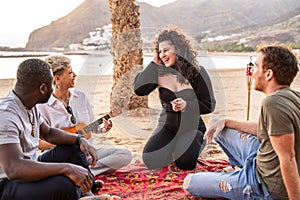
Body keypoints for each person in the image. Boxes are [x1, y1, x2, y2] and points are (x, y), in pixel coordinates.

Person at [183, 45, 300, 200]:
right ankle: (240, 168)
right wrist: (227, 121)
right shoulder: (293, 96)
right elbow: (264, 130)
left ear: (269, 74)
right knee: (219, 128)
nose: (251, 71)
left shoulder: (272, 103)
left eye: (256, 66)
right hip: (261, 158)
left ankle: (239, 177)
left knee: (189, 182)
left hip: (261, 183)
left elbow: (288, 158)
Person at [0, 58, 119, 200]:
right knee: (64, 184)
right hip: (7, 184)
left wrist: (79, 139)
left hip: (29, 166)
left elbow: (49, 133)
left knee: (74, 147)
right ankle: (78, 194)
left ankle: (86, 191)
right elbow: (14, 168)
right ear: (43, 88)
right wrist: (67, 168)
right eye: (51, 85)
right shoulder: (5, 115)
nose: (53, 89)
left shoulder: (28, 104)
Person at [133, 25, 216, 170]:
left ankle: (195, 143)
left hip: (192, 128)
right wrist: (153, 63)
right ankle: (174, 147)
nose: (163, 55)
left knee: (185, 163)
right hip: (167, 126)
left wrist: (187, 105)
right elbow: (139, 90)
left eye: (166, 50)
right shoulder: (158, 73)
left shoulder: (198, 72)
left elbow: (209, 104)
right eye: (160, 52)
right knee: (151, 160)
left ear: (178, 49)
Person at [37, 55, 132, 176]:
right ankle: (81, 172)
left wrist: (102, 129)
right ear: (57, 78)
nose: (75, 75)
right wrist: (70, 141)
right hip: (61, 158)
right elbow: (39, 143)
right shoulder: (42, 106)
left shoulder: (80, 97)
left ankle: (86, 172)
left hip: (87, 155)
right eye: (70, 73)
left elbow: (88, 127)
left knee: (124, 154)